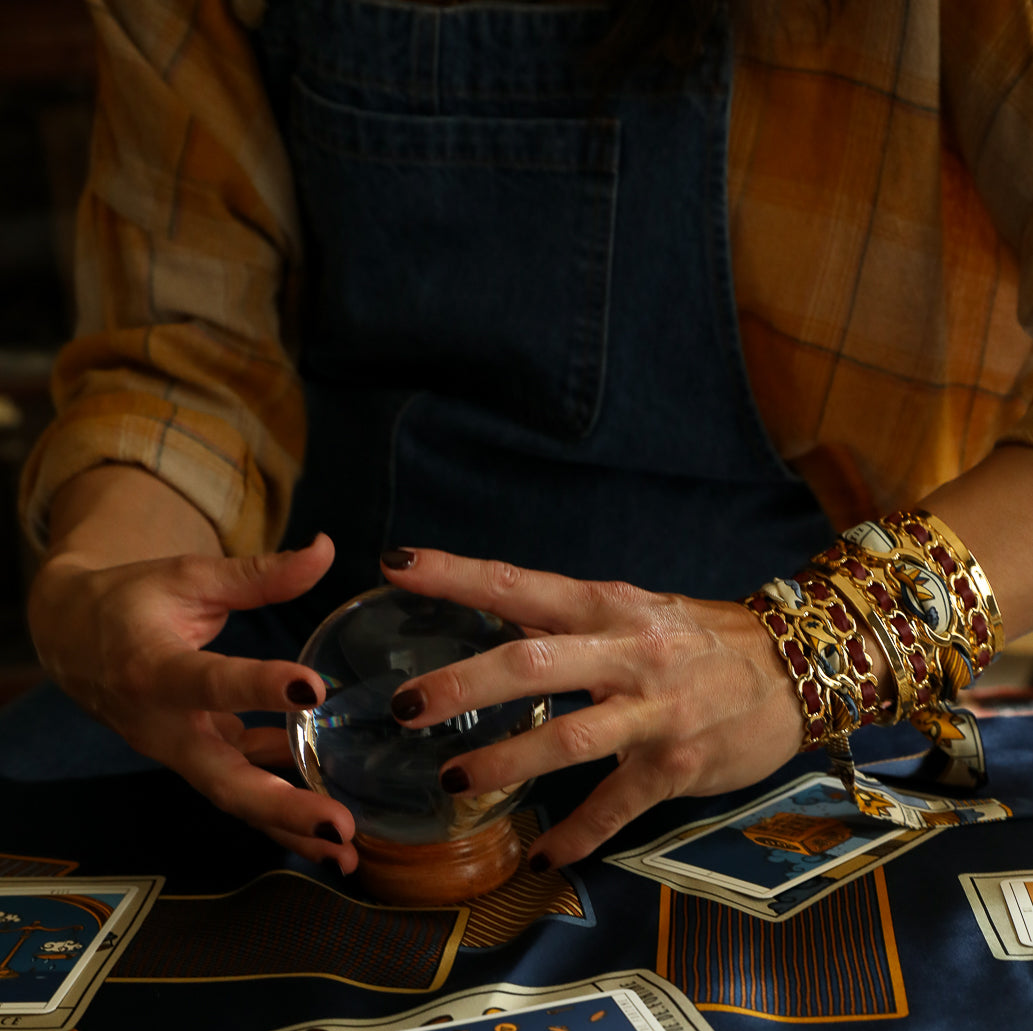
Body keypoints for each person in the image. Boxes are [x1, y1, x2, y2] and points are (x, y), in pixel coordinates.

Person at [13, 0, 1033, 878]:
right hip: (330, 685)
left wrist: (806, 652)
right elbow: (184, 359)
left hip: (794, 692)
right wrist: (100, 574)